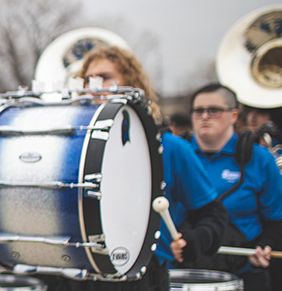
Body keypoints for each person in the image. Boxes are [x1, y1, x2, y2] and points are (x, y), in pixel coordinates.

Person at [35, 46, 227, 291]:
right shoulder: (68, 151)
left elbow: (213, 214)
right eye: (87, 80)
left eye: (104, 77)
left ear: (131, 84)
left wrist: (196, 240)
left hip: (141, 278)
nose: (94, 85)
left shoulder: (169, 148)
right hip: (75, 277)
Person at [189, 83, 282, 290]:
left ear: (233, 115)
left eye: (213, 110)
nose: (204, 116)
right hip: (187, 269)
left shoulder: (260, 159)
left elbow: (277, 219)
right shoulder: (179, 155)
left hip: (244, 273)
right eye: (198, 111)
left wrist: (266, 247)